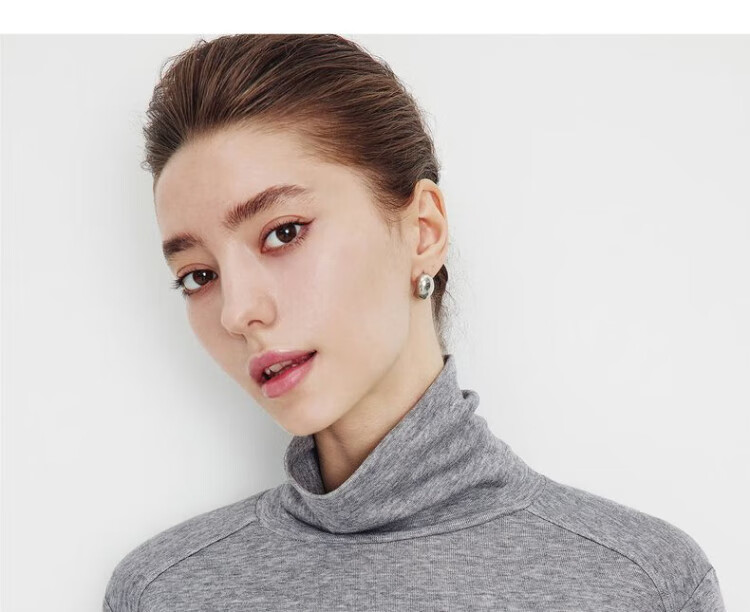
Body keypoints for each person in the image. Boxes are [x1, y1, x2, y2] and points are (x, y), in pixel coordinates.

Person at [103, 34, 726, 611]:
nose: (238, 312)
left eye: (283, 233)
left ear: (423, 232)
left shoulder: (641, 583)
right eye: (198, 276)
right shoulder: (164, 592)